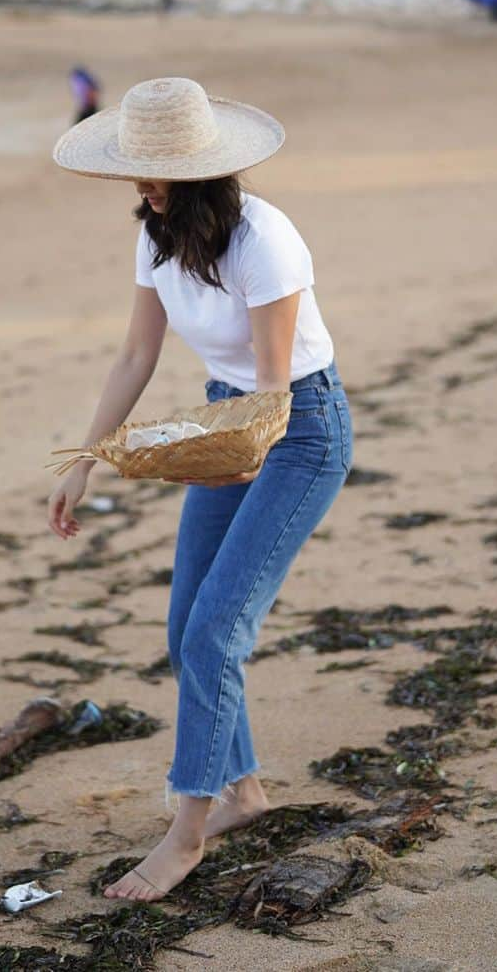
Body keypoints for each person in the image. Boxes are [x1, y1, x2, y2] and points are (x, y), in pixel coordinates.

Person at [46, 77, 352, 902]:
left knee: (219, 629)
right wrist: (86, 459)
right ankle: (243, 792)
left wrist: (239, 447)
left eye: (156, 171)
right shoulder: (155, 237)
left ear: (202, 170)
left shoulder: (266, 241)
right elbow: (134, 358)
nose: (141, 187)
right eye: (135, 170)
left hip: (298, 431)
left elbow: (276, 396)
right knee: (185, 628)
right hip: (229, 421)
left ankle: (186, 834)